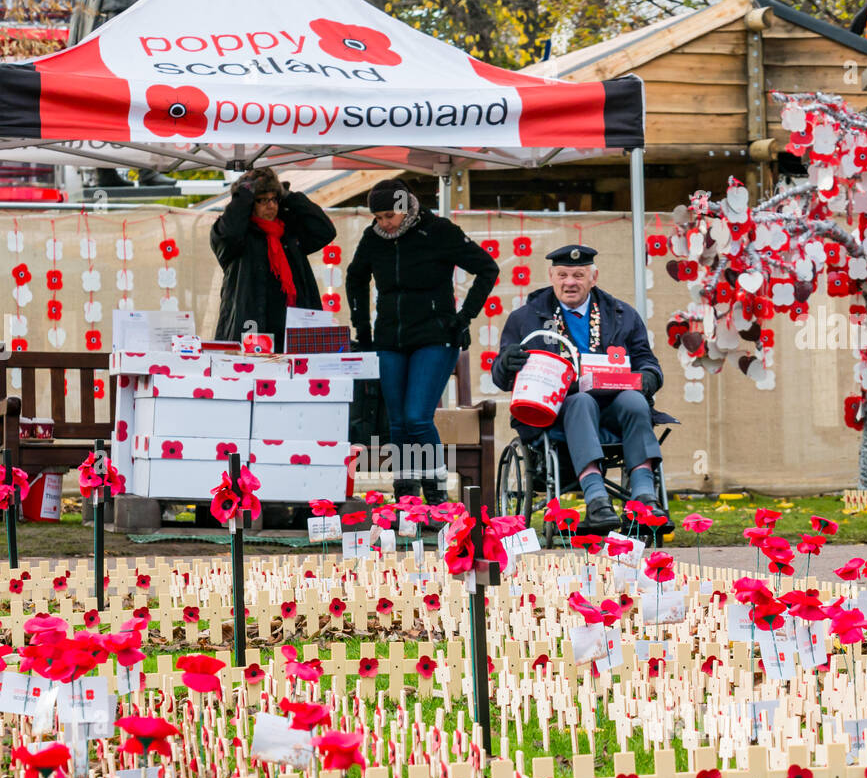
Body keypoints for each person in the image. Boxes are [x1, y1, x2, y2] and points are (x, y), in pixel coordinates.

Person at [491, 244, 665, 532]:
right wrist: (505, 363)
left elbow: (648, 361)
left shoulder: (622, 314)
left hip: (613, 405)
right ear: (551, 276)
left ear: (593, 277)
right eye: (562, 275)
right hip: (558, 412)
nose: (569, 282)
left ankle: (645, 499)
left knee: (636, 402)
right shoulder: (525, 318)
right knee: (582, 401)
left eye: (578, 275)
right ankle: (597, 499)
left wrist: (648, 376)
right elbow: (502, 378)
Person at [346, 178, 499, 504]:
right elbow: (354, 277)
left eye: (389, 215)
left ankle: (437, 496)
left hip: (435, 335)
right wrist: (363, 331)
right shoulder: (374, 237)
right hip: (390, 336)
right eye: (378, 217)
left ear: (405, 207)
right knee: (398, 421)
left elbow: (487, 268)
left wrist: (464, 317)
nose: (384, 223)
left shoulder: (438, 230)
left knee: (416, 416)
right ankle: (406, 498)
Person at [67, 0, 174, 188]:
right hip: (115, 66)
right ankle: (147, 171)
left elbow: (76, 29)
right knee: (145, 109)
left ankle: (106, 173)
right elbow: (132, 29)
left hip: (90, 65)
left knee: (105, 121)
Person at [210, 167, 336, 349]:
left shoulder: (288, 232)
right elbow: (228, 233)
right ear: (249, 204)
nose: (271, 206)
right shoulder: (238, 238)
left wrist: (289, 196)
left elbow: (325, 230)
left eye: (274, 199)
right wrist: (243, 195)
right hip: (251, 330)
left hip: (292, 330)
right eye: (262, 200)